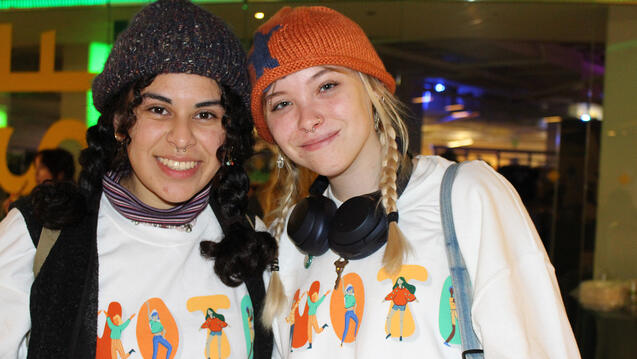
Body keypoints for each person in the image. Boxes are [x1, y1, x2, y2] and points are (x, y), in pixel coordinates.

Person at [247, 6, 580, 358]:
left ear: (372, 91)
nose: (308, 118)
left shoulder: (465, 196)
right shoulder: (287, 243)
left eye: (327, 85)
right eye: (281, 104)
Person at [0, 1, 276, 358]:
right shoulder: (40, 237)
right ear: (119, 122)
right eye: (158, 110)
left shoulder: (252, 244)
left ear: (229, 133)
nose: (181, 137)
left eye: (205, 114)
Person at [1, 148, 75, 215]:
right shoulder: (38, 200)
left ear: (60, 172)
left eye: (42, 167)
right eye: (36, 168)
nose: (36, 173)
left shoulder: (70, 202)